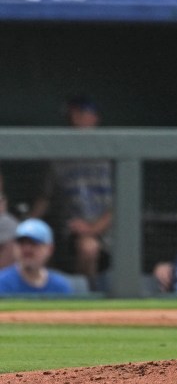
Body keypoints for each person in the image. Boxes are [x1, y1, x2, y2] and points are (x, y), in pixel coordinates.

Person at [36, 96, 113, 290]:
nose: (75, 119)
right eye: (73, 114)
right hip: (71, 232)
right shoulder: (59, 158)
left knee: (90, 245)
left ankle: (85, 294)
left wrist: (94, 228)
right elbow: (45, 198)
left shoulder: (110, 153)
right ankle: (81, 294)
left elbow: (122, 204)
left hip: (112, 231)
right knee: (87, 247)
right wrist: (27, 221)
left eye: (81, 114)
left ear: (94, 118)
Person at [0, 218, 73, 294]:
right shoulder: (2, 283)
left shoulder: (60, 286)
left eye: (34, 243)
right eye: (21, 243)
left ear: (49, 249)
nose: (27, 249)